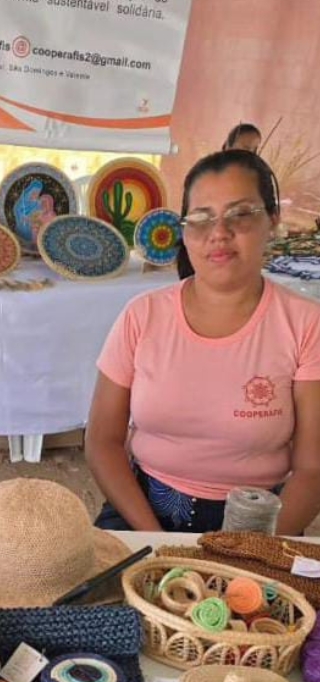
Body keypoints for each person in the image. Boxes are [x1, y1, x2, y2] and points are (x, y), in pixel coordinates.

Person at [86, 149, 320, 536]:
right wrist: (155, 542)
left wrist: (255, 553)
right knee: (100, 597)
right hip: (144, 509)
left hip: (260, 523)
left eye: (241, 214)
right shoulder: (142, 316)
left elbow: (313, 468)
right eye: (201, 218)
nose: (219, 233)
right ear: (183, 230)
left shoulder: (305, 324)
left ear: (272, 220)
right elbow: (102, 440)